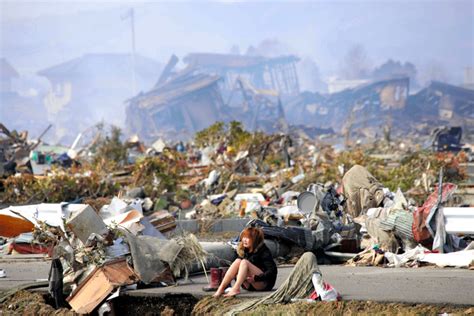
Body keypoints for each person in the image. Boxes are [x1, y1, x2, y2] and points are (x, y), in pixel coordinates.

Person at [213, 227, 277, 297]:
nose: (244, 240)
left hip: (262, 284)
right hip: (248, 285)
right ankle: (221, 288)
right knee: (238, 261)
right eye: (243, 237)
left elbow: (273, 271)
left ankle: (235, 288)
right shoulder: (243, 250)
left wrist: (256, 278)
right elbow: (236, 269)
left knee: (244, 262)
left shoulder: (264, 251)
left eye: (247, 238)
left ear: (255, 240)